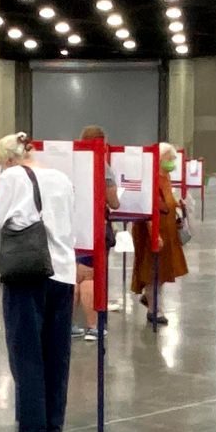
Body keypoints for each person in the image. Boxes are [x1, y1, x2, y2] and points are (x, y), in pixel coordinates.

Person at [0, 132, 76, 432]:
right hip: (63, 275)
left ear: (8, 159)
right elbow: (68, 227)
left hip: (26, 274)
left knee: (26, 356)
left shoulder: (12, 177)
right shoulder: (62, 179)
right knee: (57, 356)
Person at [130, 142, 189, 325]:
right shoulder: (151, 178)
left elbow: (166, 200)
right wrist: (154, 234)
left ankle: (150, 300)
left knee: (163, 270)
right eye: (169, 159)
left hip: (167, 228)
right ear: (159, 159)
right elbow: (149, 208)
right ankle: (154, 309)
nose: (172, 162)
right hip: (151, 231)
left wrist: (178, 206)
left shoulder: (166, 176)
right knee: (152, 270)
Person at [72, 124, 121, 340]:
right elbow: (113, 201)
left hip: (72, 226)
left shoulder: (71, 163)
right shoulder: (102, 166)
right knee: (90, 277)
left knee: (73, 277)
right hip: (96, 226)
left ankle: (68, 325)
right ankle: (93, 326)